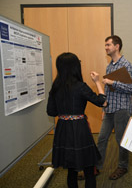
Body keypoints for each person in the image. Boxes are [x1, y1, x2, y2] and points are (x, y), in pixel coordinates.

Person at [47, 52, 107, 188]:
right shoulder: (80, 86)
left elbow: (51, 112)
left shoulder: (55, 88)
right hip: (80, 129)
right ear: (75, 67)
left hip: (63, 129)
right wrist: (97, 82)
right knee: (89, 170)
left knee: (71, 170)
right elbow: (102, 102)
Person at [96, 35, 132, 180]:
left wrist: (113, 82)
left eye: (108, 45)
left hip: (122, 109)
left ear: (117, 46)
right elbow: (107, 92)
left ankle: (123, 167)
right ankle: (97, 166)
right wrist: (103, 109)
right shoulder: (110, 66)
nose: (106, 47)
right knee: (101, 138)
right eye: (105, 45)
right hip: (109, 109)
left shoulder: (126, 64)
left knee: (121, 140)